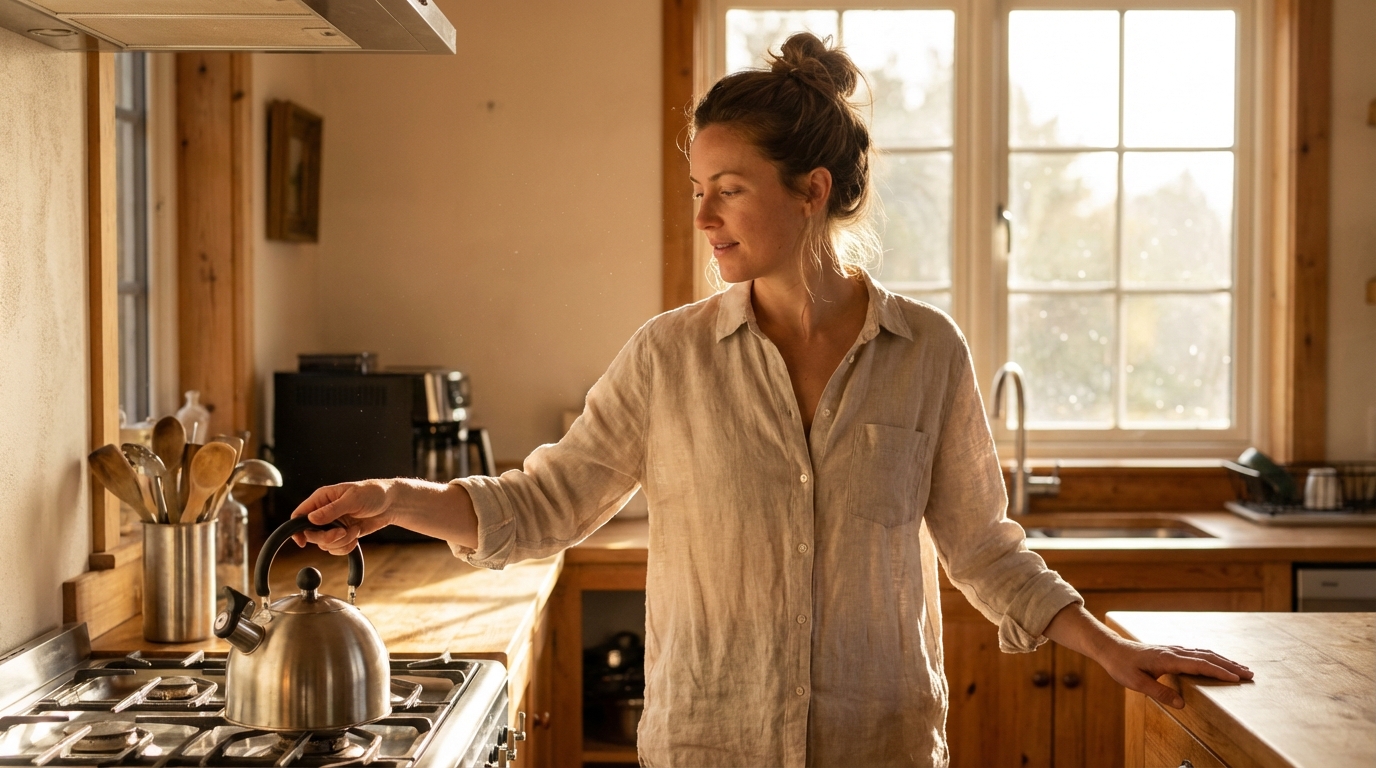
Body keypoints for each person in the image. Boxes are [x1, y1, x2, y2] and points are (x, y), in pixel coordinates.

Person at [292, 33, 1251, 768]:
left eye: (730, 189)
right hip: (707, 743)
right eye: (698, 187)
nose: (703, 215)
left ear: (811, 193)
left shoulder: (927, 354)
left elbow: (984, 547)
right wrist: (396, 500)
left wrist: (1109, 645)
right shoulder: (669, 358)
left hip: (881, 745)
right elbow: (543, 505)